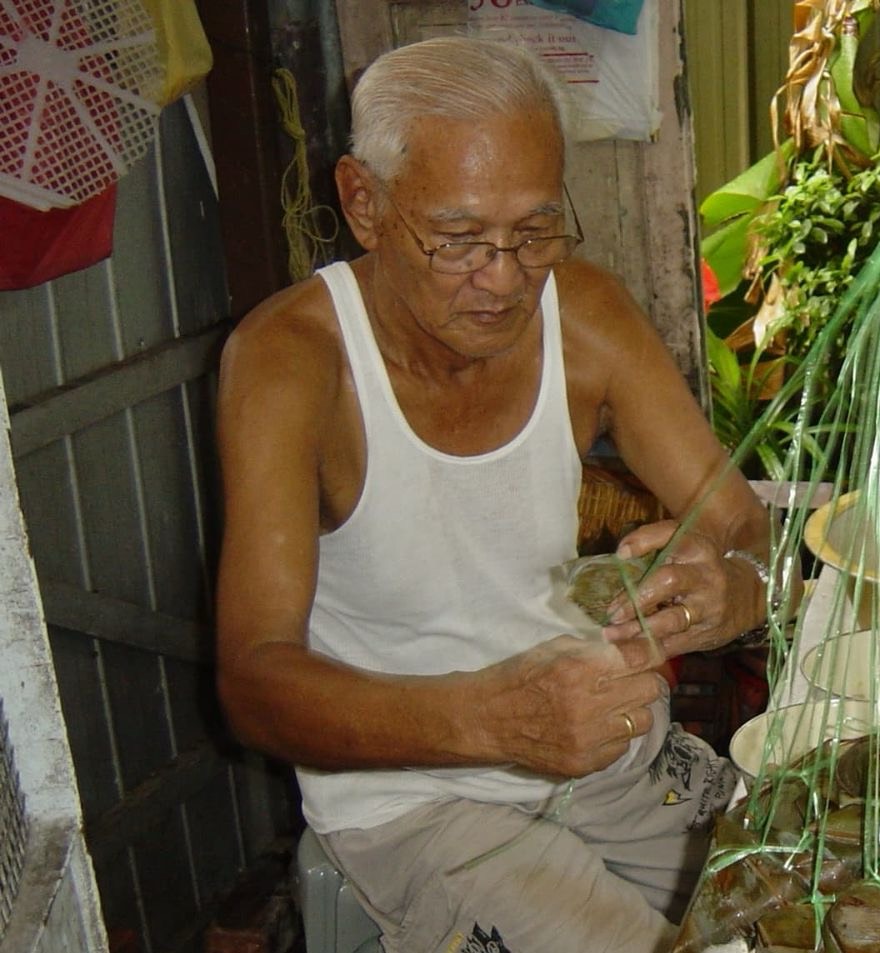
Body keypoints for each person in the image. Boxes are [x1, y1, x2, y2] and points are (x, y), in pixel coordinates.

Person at [215, 35, 775, 953]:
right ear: (363, 201)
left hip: (607, 748)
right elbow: (252, 682)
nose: (507, 277)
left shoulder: (583, 313)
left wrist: (730, 583)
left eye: (535, 230)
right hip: (419, 798)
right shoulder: (290, 363)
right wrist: (496, 722)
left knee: (813, 892)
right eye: (459, 238)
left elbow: (737, 521)